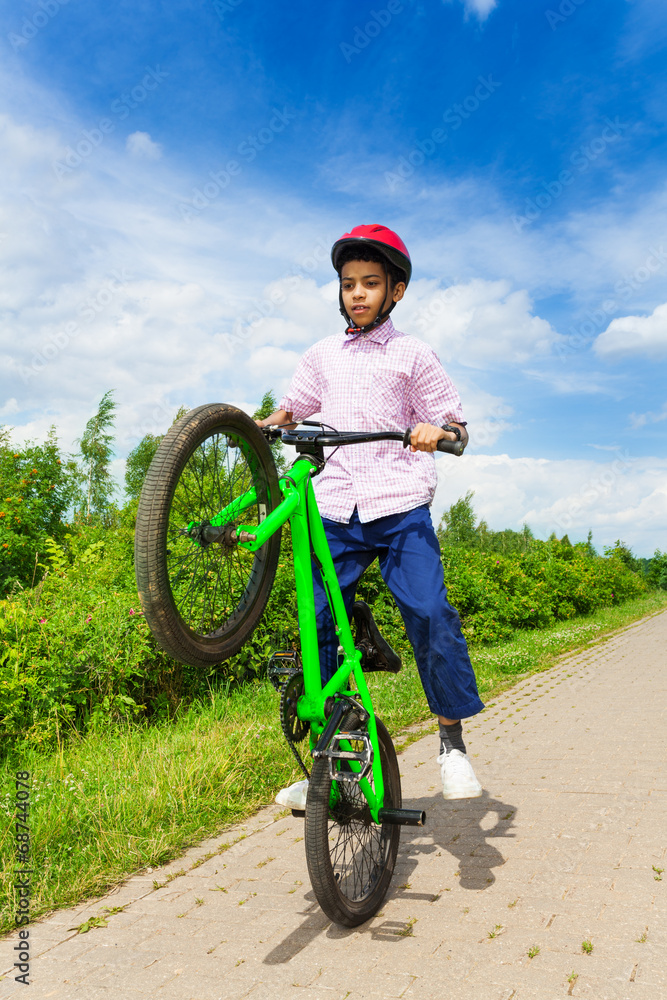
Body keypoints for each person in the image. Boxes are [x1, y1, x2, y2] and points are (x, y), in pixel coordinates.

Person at [256, 224, 484, 811]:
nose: (358, 293)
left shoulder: (413, 354)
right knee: (317, 625)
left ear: (395, 292)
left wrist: (442, 432)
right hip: (336, 505)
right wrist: (268, 421)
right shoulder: (321, 355)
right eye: (349, 284)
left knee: (430, 610)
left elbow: (456, 421)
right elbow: (294, 407)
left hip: (399, 502)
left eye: (371, 284)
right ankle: (328, 764)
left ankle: (451, 743)